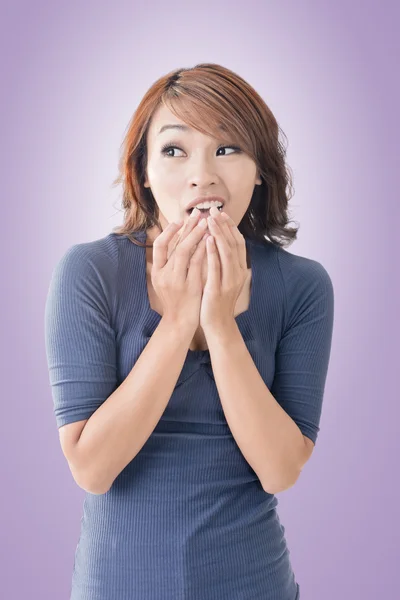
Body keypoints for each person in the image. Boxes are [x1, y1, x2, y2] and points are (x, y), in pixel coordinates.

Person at [44, 63, 334, 599]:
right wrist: (177, 321)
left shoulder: (302, 285)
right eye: (174, 150)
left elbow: (280, 470)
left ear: (261, 171)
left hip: (254, 584)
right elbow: (91, 468)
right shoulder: (89, 273)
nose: (202, 174)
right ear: (145, 172)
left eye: (228, 149)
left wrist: (221, 327)